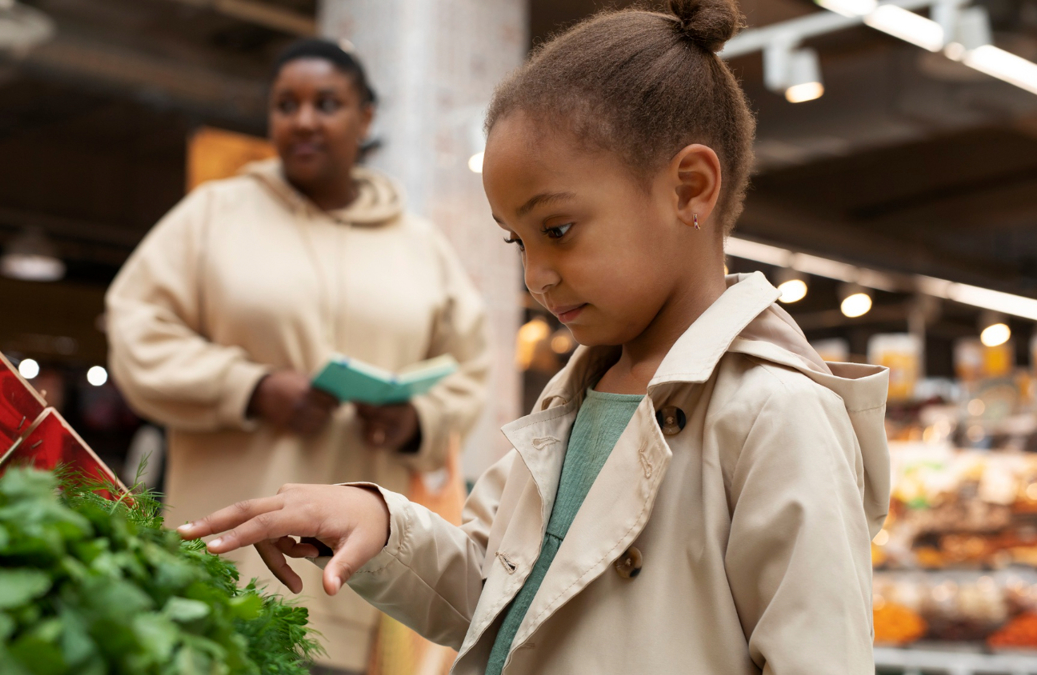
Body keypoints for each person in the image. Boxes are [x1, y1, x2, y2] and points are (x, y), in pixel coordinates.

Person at [176, 2, 891, 674]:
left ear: (690, 188)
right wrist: (382, 523)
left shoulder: (777, 413)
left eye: (557, 229)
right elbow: (495, 589)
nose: (536, 276)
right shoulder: (574, 395)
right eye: (516, 240)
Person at [105, 39, 490, 673]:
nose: (305, 119)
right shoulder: (213, 216)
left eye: (327, 104)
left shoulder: (420, 246)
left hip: (363, 581)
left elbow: (469, 368)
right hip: (228, 570)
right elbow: (137, 330)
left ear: (365, 119)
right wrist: (251, 388)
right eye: (287, 105)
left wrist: (415, 418)